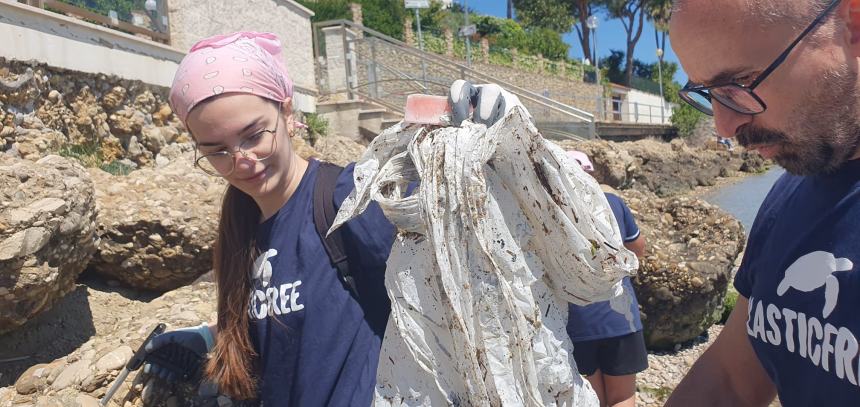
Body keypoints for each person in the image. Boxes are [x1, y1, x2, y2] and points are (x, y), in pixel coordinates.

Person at [140, 32, 396, 405]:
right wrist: (209, 336)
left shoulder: (346, 199)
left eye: (254, 135)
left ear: (287, 113)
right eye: (217, 151)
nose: (241, 160)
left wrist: (477, 135)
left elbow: (452, 220)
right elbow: (291, 323)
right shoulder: (240, 226)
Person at [667, 0, 860, 405]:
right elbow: (733, 378)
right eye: (707, 92)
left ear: (853, 25)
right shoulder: (789, 192)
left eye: (738, 84)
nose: (724, 125)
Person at [566, 151, 648, 407]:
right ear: (590, 174)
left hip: (576, 320)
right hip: (620, 316)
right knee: (622, 396)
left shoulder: (554, 209)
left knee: (592, 398)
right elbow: (636, 246)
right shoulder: (612, 202)